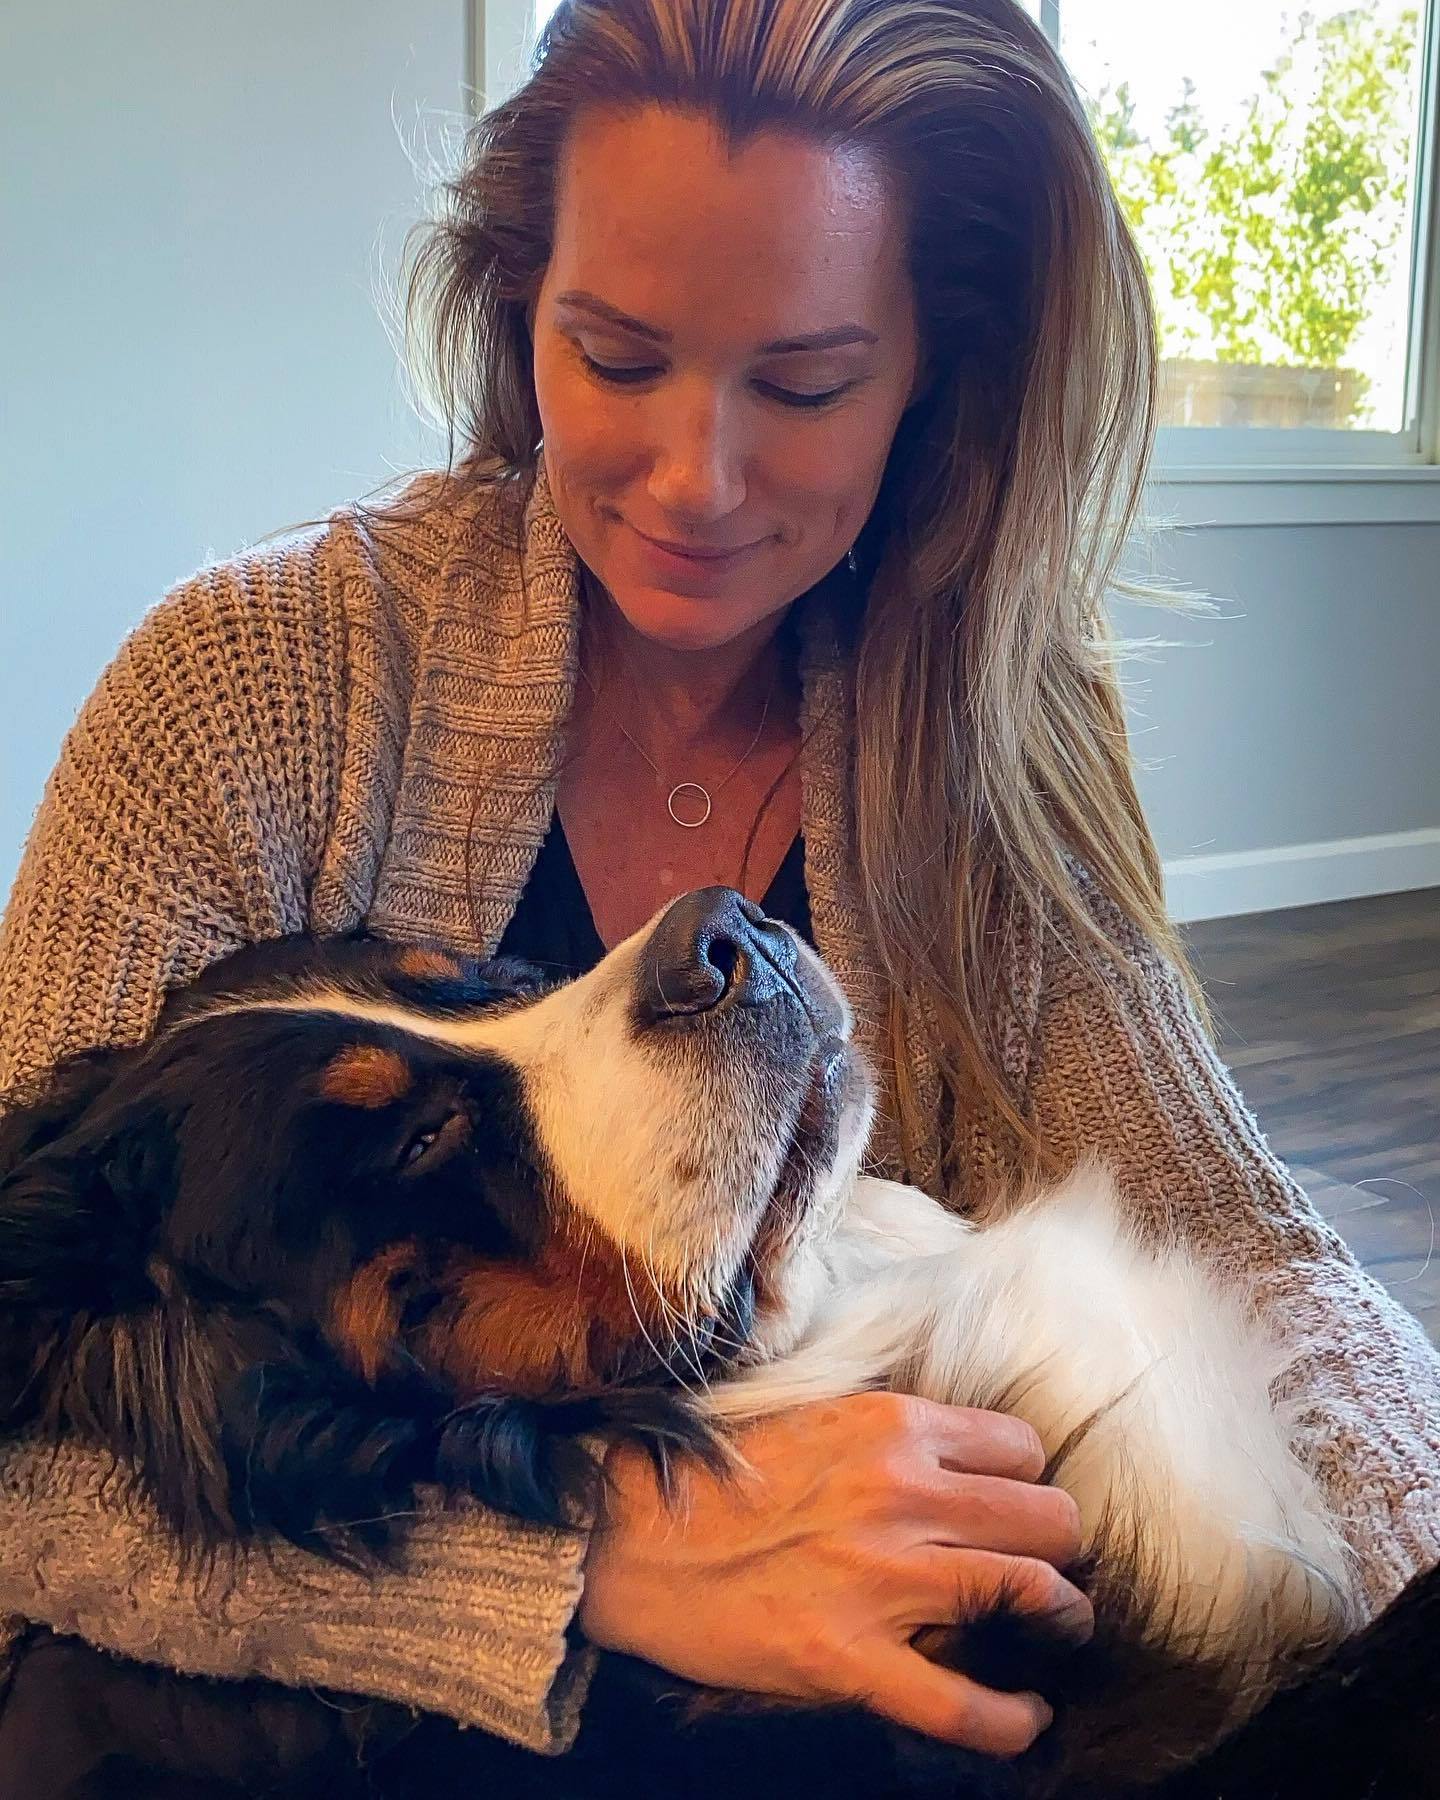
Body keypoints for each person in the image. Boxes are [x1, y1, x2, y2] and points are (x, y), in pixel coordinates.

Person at [1, 0, 1437, 1771]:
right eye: (614, 357)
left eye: (808, 383)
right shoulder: (249, 686)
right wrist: (572, 1563)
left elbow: (1235, 1237)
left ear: (936, 370)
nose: (698, 478)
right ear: (516, 305)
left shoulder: (1000, 730)